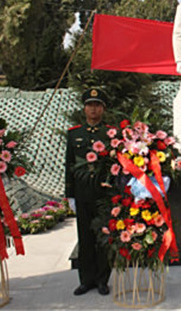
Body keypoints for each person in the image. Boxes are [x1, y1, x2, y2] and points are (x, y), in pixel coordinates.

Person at [65, 88, 113, 295]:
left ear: (103, 108)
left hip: (103, 193)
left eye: (97, 105)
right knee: (84, 238)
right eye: (90, 105)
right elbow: (69, 164)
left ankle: (102, 280)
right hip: (82, 192)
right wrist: (69, 194)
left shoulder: (110, 134)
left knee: (103, 237)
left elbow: (114, 164)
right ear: (84, 108)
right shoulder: (74, 134)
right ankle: (86, 280)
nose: (93, 109)